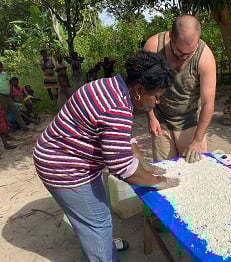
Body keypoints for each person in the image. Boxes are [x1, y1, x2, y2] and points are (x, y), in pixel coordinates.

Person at [32, 50, 178, 261]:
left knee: (94, 220)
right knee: (98, 224)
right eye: (156, 96)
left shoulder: (111, 86)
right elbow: (122, 167)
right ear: (139, 89)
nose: (157, 102)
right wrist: (159, 181)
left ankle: (98, 248)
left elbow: (122, 140)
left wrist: (144, 164)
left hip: (60, 153)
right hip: (64, 167)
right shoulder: (116, 107)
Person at [143, 14, 216, 163]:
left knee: (196, 175)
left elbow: (208, 103)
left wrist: (198, 139)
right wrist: (151, 117)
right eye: (179, 52)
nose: (184, 57)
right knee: (166, 174)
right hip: (160, 122)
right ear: (171, 37)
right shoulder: (153, 47)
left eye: (189, 53)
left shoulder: (205, 57)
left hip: (190, 124)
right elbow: (145, 87)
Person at [0, 62, 28, 131]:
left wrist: (11, 89)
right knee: (4, 113)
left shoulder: (4, 74)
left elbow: (11, 81)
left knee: (15, 111)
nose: (0, 68)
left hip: (8, 96)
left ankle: (24, 126)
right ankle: (7, 129)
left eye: (1, 67)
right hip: (1, 96)